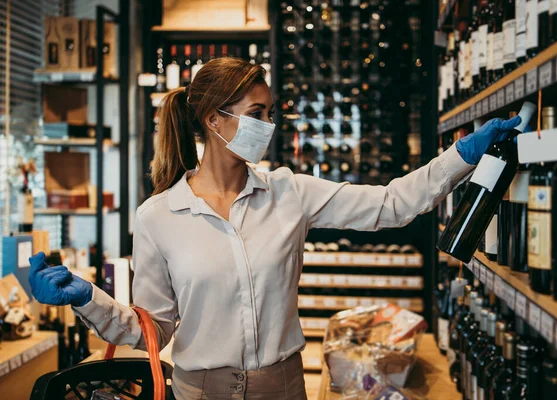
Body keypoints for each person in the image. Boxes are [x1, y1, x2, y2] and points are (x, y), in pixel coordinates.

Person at [28, 57, 521, 399]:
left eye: (270, 113)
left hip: (283, 387)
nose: (269, 125)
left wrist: (463, 155)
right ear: (213, 120)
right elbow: (154, 330)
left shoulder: (289, 192)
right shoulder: (159, 215)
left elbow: (391, 205)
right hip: (199, 391)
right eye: (256, 114)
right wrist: (88, 299)